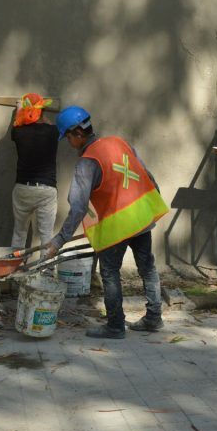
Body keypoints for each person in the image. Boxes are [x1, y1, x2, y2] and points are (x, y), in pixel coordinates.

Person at [43, 106, 169, 339]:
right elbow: (147, 175)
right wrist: (153, 206)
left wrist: (58, 241)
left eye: (68, 137)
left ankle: (115, 326)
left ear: (77, 133)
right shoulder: (119, 142)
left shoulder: (87, 162)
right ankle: (154, 318)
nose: (69, 142)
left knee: (110, 272)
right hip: (142, 217)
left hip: (118, 226)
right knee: (147, 268)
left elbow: (78, 208)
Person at [10, 93, 59, 248]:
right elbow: (48, 123)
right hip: (46, 189)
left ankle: (14, 267)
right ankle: (46, 271)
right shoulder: (53, 132)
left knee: (19, 232)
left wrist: (20, 109)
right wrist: (42, 114)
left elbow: (17, 123)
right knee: (46, 235)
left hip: (22, 188)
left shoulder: (18, 132)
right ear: (41, 111)